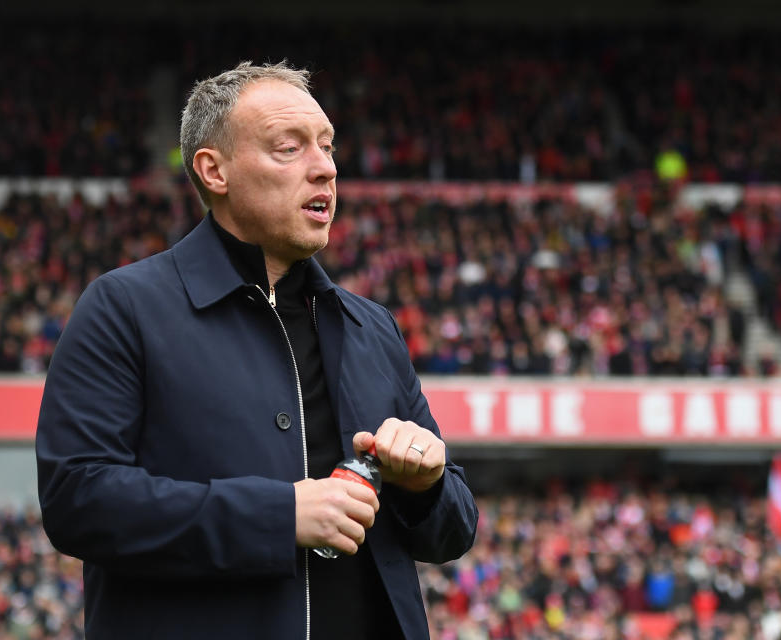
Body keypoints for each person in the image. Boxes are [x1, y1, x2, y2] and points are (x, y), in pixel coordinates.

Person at [35, 61, 478, 639]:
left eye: (327, 146)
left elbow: (454, 530)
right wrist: (279, 516)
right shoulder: (124, 308)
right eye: (289, 148)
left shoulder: (373, 327)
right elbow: (78, 500)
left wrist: (427, 485)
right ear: (214, 171)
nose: (325, 168)